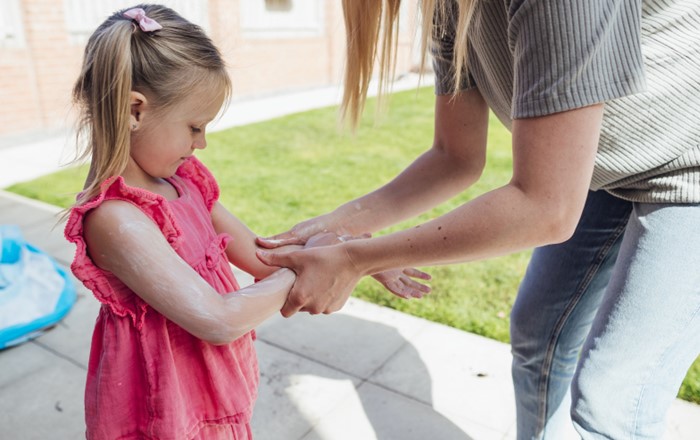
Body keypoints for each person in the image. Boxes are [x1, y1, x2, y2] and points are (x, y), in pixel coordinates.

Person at [256, 0, 700, 438]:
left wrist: (357, 259)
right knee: (537, 338)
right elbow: (454, 157)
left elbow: (545, 207)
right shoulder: (450, 8)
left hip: (689, 169)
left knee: (612, 404)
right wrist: (338, 224)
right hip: (604, 171)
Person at [63, 5, 430, 439]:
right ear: (135, 111)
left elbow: (265, 257)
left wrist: (352, 254)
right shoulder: (116, 220)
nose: (202, 143)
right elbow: (219, 319)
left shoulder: (186, 186)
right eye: (195, 126)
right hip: (161, 412)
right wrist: (320, 265)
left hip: (208, 394)